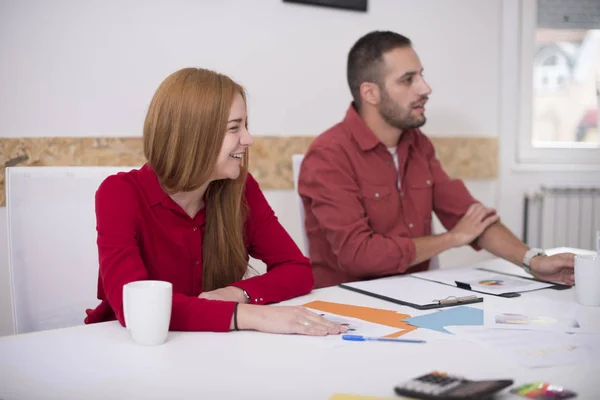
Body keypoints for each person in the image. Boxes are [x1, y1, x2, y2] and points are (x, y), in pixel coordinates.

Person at [298, 31, 575, 289]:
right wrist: (450, 239)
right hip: (348, 307)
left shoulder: (418, 144)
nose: (425, 88)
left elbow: (471, 218)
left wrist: (533, 261)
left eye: (421, 76)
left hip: (417, 296)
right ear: (370, 93)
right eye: (408, 79)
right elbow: (358, 255)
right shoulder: (328, 155)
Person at [85, 67, 344, 336]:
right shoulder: (119, 193)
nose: (248, 139)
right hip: (131, 349)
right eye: (234, 128)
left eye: (246, 125)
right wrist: (250, 315)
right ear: (194, 135)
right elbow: (136, 306)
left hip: (213, 348)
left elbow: (298, 270)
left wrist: (237, 293)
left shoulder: (241, 189)